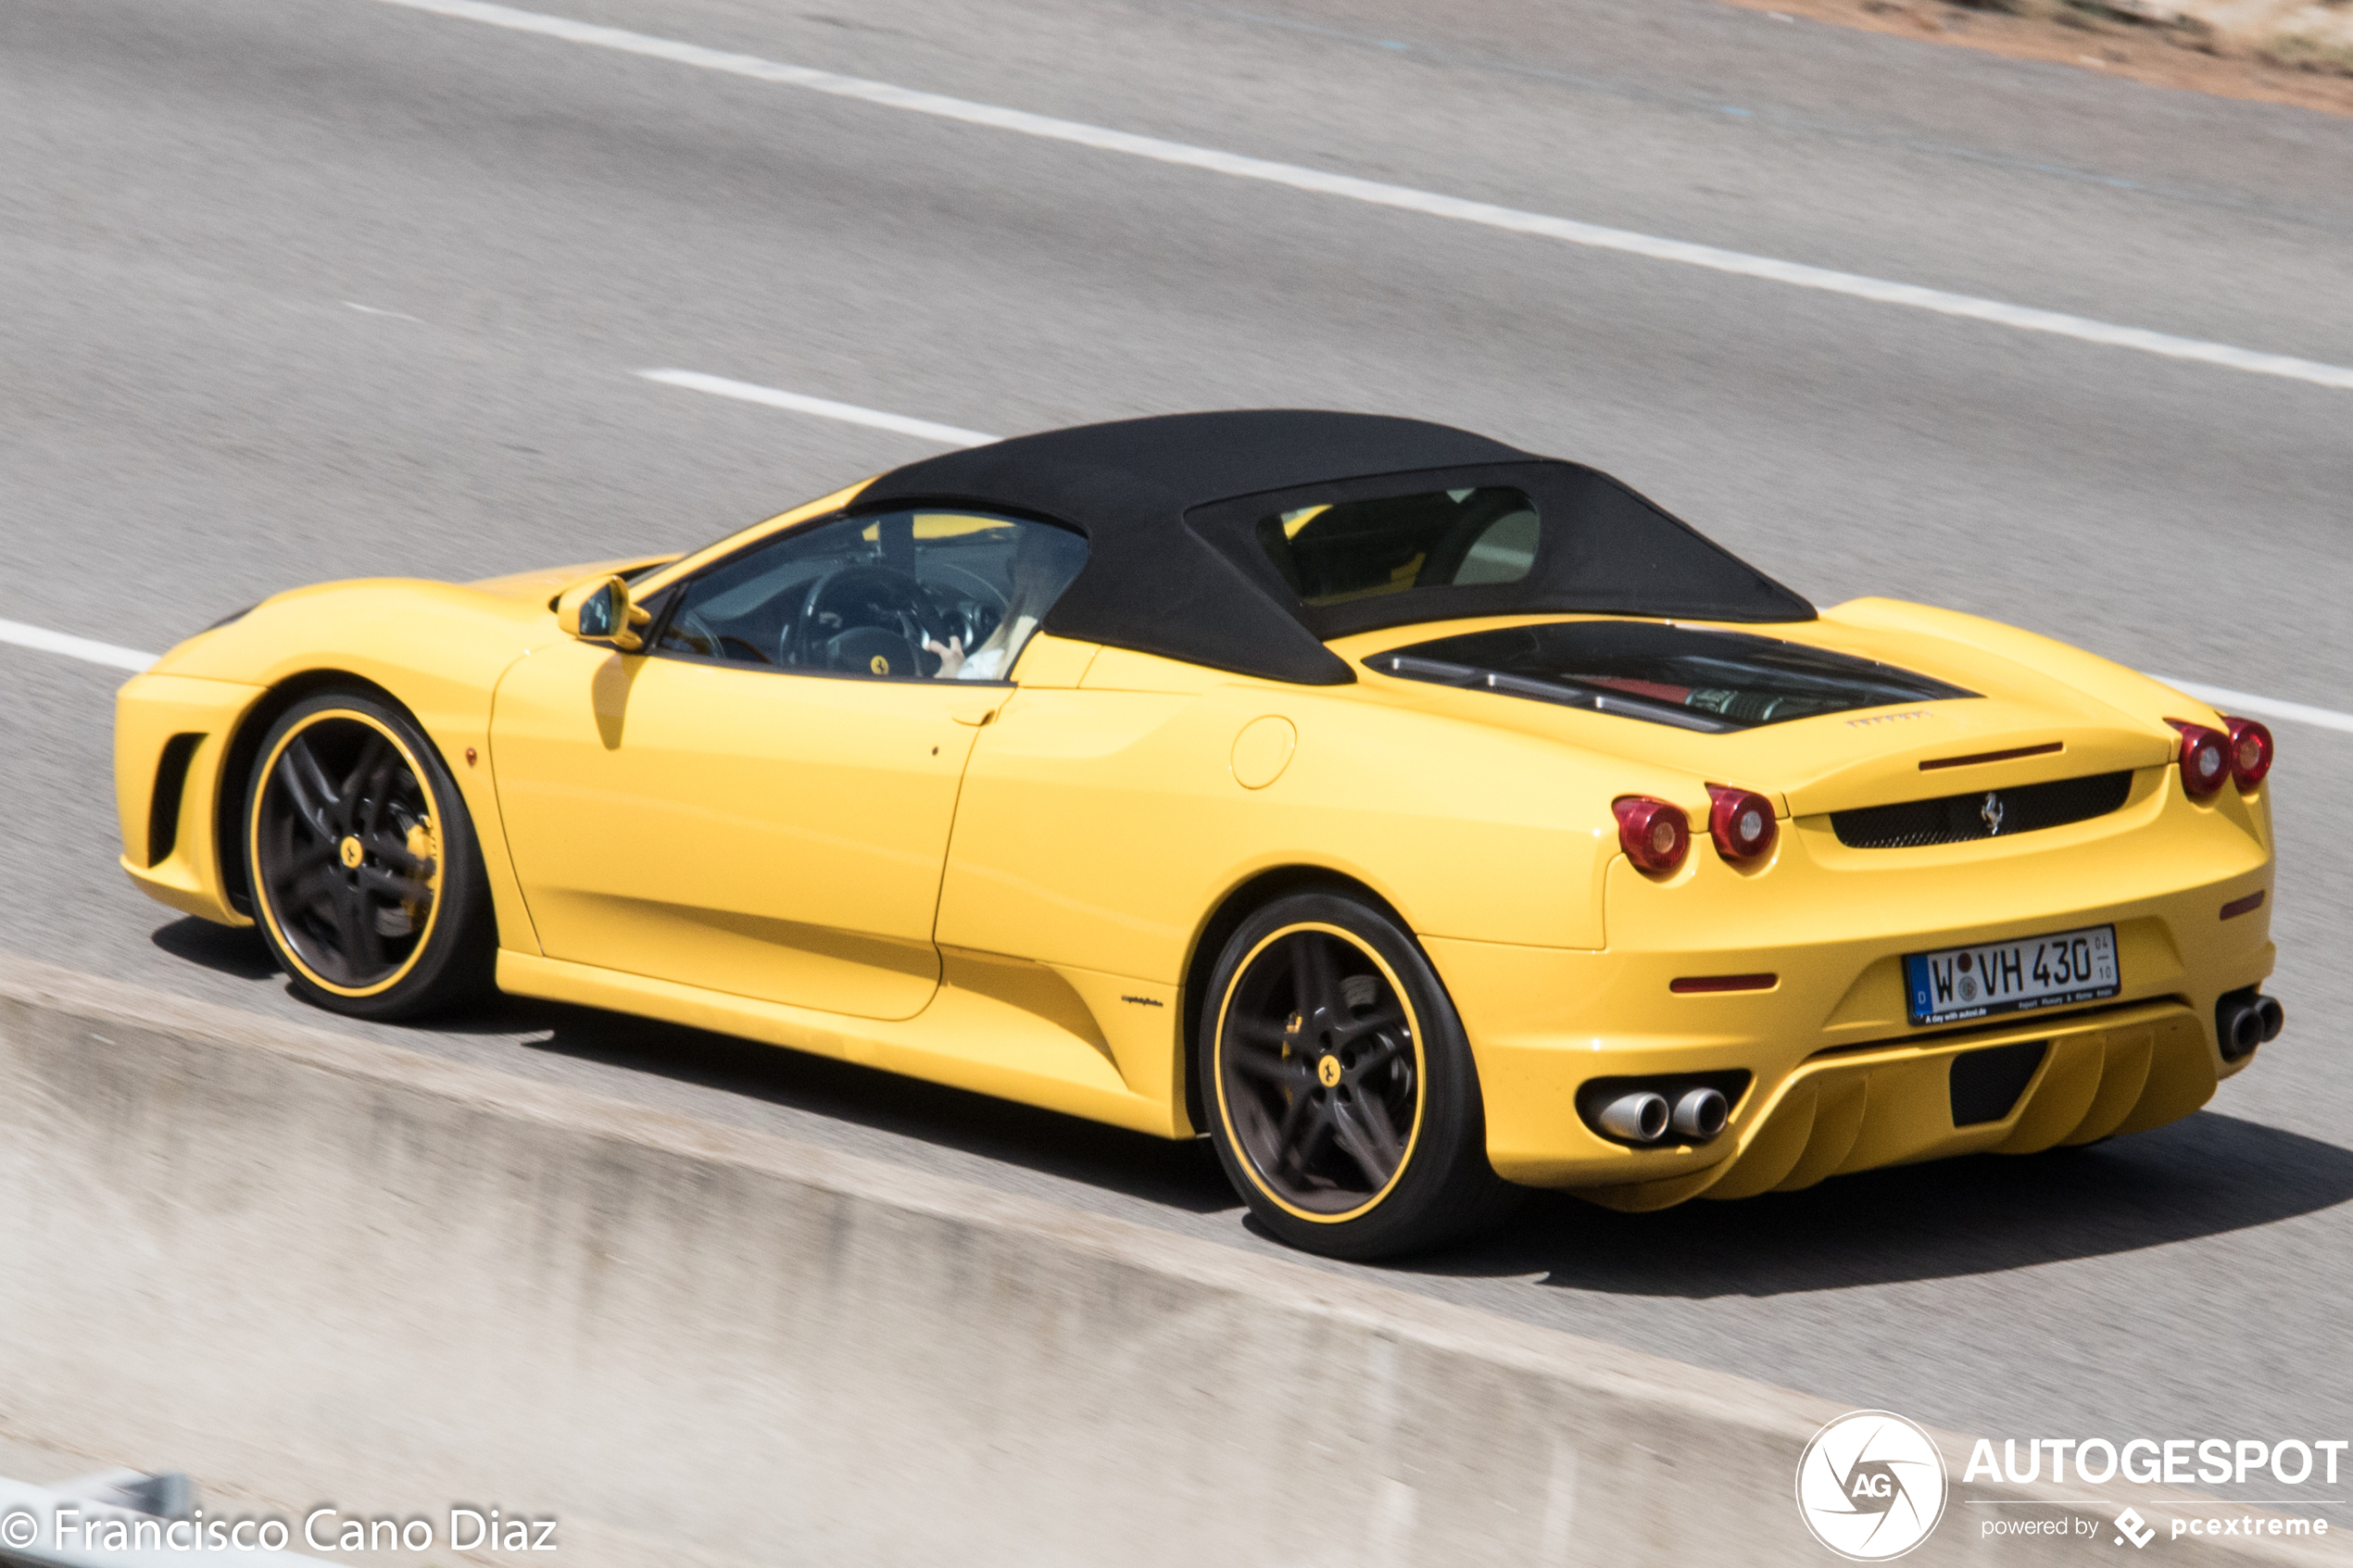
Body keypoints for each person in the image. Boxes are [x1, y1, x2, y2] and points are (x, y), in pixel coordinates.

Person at [925, 523, 1085, 681]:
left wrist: (955, 678)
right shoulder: (1084, 658)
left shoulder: (987, 670)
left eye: (1013, 566)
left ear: (1021, 575)